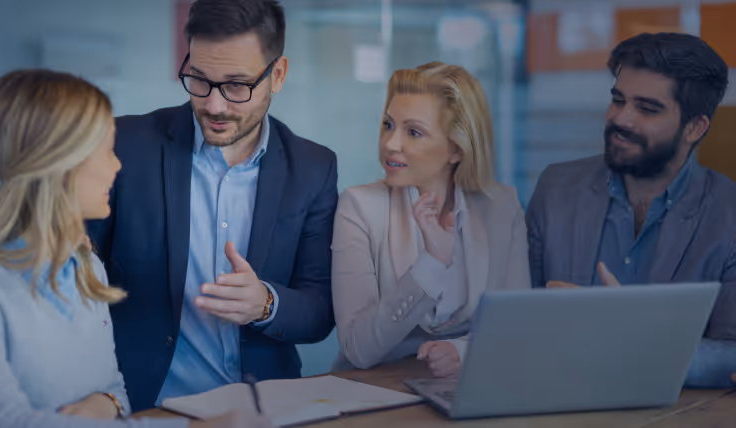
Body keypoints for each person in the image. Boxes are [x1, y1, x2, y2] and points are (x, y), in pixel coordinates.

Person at [0, 70, 270, 428]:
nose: (116, 166)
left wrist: (110, 402)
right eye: (104, 152)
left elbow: (116, 391)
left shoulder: (84, 264)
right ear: (55, 164)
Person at [87, 0, 337, 411]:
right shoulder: (125, 145)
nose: (215, 106)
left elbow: (321, 309)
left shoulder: (313, 168)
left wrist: (266, 304)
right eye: (199, 79)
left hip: (262, 408)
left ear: (278, 75)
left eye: (237, 85)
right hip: (147, 406)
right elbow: (71, 271)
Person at [526, 32, 736, 387]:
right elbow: (514, 321)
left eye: (647, 108)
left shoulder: (728, 213)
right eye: (617, 100)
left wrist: (628, 339)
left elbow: (731, 354)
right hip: (553, 401)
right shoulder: (555, 188)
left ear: (695, 127)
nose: (621, 119)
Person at [331, 62, 531, 378]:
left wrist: (463, 353)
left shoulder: (502, 206)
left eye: (413, 132)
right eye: (388, 124)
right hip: (373, 394)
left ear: (456, 148)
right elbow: (358, 348)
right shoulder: (358, 206)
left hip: (469, 390)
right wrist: (432, 264)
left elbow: (519, 328)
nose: (390, 144)